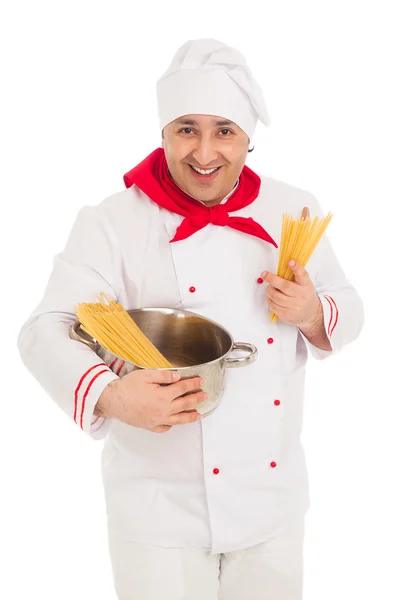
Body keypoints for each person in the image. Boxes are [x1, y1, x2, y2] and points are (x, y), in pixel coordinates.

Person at [17, 38, 364, 599]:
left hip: (271, 504)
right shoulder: (111, 222)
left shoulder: (294, 208)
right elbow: (42, 330)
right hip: (157, 513)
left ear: (249, 139)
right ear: (163, 133)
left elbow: (350, 306)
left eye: (224, 130)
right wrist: (111, 395)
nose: (204, 152)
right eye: (187, 128)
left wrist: (312, 312)